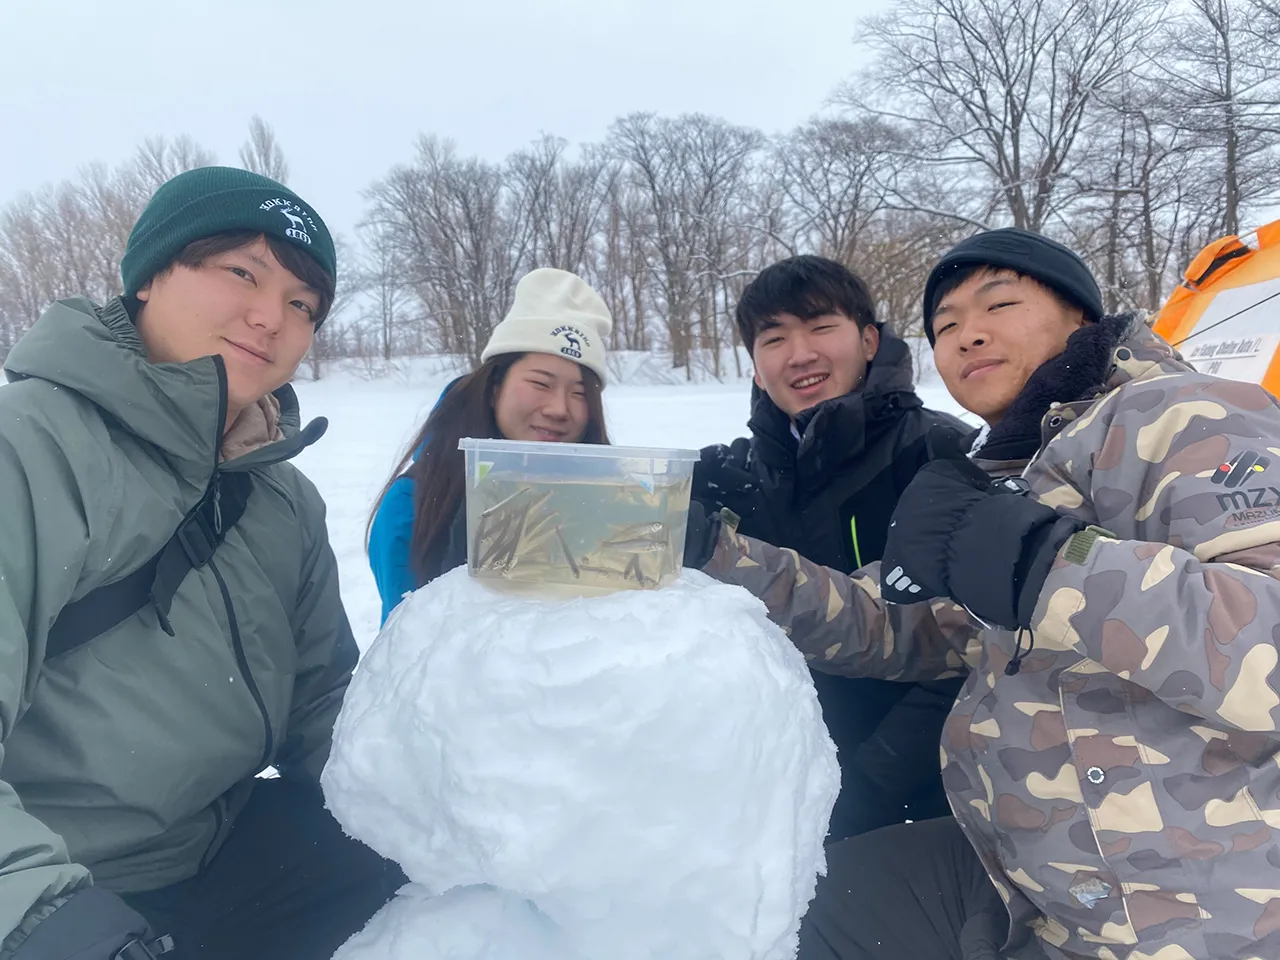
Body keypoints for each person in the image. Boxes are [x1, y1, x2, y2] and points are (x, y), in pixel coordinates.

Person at [686, 227, 1280, 959]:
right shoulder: (1015, 473)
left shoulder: (1187, 413)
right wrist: (710, 552)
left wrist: (1044, 564)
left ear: (1083, 321)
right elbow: (884, 621)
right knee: (772, 910)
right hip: (1019, 882)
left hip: (1179, 907)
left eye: (998, 304)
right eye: (946, 326)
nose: (969, 336)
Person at [0, 167, 403, 960]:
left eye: (302, 304)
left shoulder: (281, 499)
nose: (271, 317)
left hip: (209, 851)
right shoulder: (31, 450)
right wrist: (54, 924)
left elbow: (320, 705)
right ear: (151, 274)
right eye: (243, 273)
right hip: (56, 884)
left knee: (449, 884)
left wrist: (445, 798)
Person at [692, 255, 968, 841]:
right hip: (767, 796)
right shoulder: (729, 476)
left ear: (869, 340)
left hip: (911, 808)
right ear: (757, 366)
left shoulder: (947, 457)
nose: (800, 354)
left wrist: (863, 795)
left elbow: (972, 657)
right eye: (775, 338)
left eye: (820, 328)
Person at [368, 268, 613, 622]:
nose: (560, 408)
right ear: (495, 386)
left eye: (579, 393)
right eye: (541, 384)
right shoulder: (415, 505)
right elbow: (409, 654)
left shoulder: (608, 494)